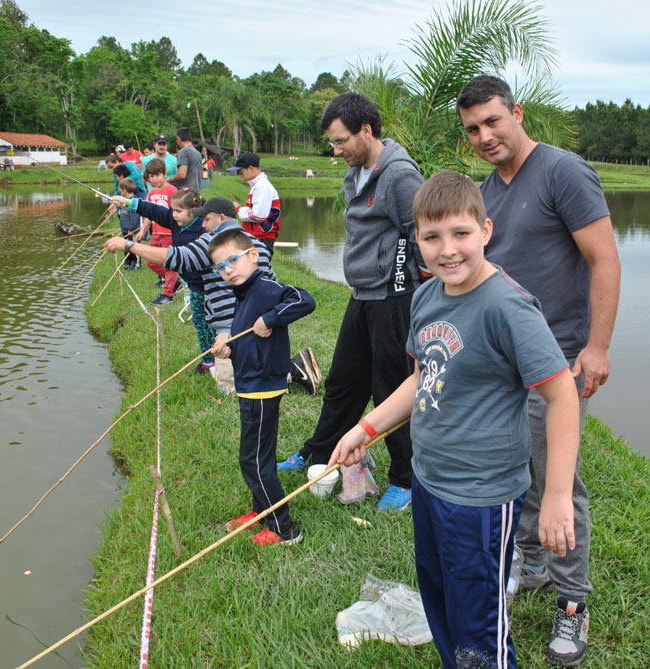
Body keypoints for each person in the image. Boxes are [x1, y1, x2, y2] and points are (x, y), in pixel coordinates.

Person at [329, 172, 579, 668]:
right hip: (430, 480)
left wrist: (554, 497)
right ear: (416, 240)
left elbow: (562, 395)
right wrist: (367, 427)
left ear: (485, 230)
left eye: (461, 233)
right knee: (439, 597)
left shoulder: (508, 307)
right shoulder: (427, 297)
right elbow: (422, 378)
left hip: (482, 497)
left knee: (479, 622)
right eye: (431, 237)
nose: (448, 250)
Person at [456, 75, 621, 667]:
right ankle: (532, 564)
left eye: (493, 121)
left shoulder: (562, 172)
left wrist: (597, 348)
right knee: (518, 470)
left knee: (558, 483)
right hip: (504, 362)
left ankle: (572, 603)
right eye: (472, 129)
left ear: (517, 113)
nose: (484, 135)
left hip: (558, 360)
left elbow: (604, 260)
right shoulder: (487, 190)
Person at [278, 92, 426, 512]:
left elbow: (422, 235)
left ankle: (405, 477)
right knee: (344, 379)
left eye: (342, 141)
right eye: (333, 143)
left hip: (395, 297)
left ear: (366, 130)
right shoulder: (354, 173)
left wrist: (417, 295)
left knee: (390, 389)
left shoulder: (399, 176)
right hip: (363, 294)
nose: (336, 150)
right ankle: (320, 453)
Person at [208, 228, 316, 545]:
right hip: (250, 385)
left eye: (232, 260)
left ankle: (284, 529)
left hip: (261, 389)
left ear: (253, 255)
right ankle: (260, 512)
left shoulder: (266, 289)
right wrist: (229, 350)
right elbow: (250, 343)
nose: (227, 270)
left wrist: (271, 319)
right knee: (257, 456)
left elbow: (304, 300)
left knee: (254, 460)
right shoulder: (242, 296)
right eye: (220, 267)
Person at [104, 196, 274, 395]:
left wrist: (128, 246)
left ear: (220, 217)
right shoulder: (257, 244)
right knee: (262, 374)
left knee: (230, 390)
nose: (203, 224)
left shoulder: (216, 242)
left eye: (206, 219)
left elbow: (176, 258)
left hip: (231, 328)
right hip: (262, 323)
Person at [138, 159, 181, 305]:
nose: (155, 178)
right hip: (155, 233)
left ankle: (168, 294)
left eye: (157, 175)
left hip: (169, 233)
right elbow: (150, 214)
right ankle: (175, 281)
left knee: (169, 264)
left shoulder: (172, 191)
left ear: (164, 174)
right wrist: (143, 229)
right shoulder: (151, 193)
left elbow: (177, 212)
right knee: (151, 261)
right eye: (151, 176)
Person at [227, 151, 281, 258]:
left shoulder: (263, 186)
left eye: (241, 172)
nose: (240, 176)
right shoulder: (257, 186)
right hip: (255, 237)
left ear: (251, 168)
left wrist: (238, 209)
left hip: (262, 238)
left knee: (258, 271)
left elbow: (258, 215)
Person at [115, 177, 146, 270]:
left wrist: (132, 229)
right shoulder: (123, 201)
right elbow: (121, 215)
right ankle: (128, 261)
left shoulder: (133, 202)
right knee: (126, 246)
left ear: (124, 190)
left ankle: (137, 264)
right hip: (125, 229)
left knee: (134, 246)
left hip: (132, 230)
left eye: (119, 189)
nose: (118, 190)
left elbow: (134, 217)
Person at [169, 127, 202, 193]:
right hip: (196, 192)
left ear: (178, 139)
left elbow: (181, 174)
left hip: (185, 194)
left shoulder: (183, 151)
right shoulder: (198, 153)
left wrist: (167, 181)